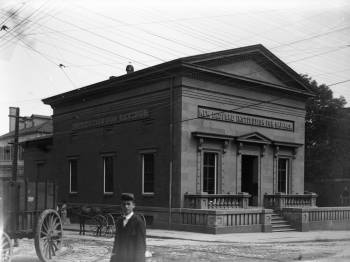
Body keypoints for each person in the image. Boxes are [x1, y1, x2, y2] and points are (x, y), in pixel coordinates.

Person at [110, 193, 146, 262]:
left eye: (128, 204)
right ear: (121, 206)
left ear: (133, 205)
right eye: (124, 204)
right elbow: (116, 243)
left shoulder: (138, 222)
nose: (126, 206)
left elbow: (141, 247)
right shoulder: (119, 221)